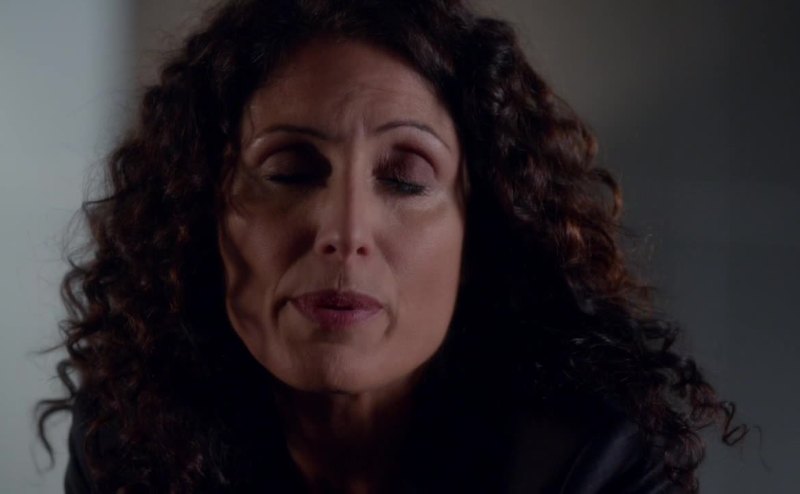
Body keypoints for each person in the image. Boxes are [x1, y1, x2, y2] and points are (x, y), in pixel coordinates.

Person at [36, 0, 745, 492]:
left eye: (406, 178)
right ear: (204, 214)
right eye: (290, 171)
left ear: (480, 234)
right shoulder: (132, 437)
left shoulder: (589, 461)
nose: (345, 234)